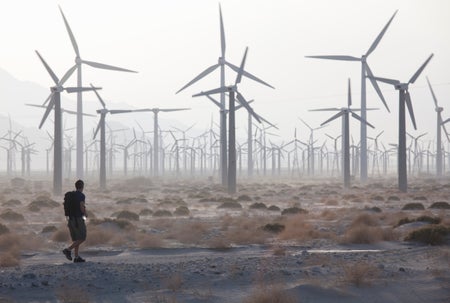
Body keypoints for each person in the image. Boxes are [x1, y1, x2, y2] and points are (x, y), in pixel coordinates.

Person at [62, 180, 87, 263]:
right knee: (83, 238)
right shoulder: (81, 196)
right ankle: (68, 250)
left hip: (71, 220)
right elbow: (81, 207)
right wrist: (85, 213)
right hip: (78, 219)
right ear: (82, 186)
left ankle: (76, 257)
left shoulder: (72, 195)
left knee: (77, 239)